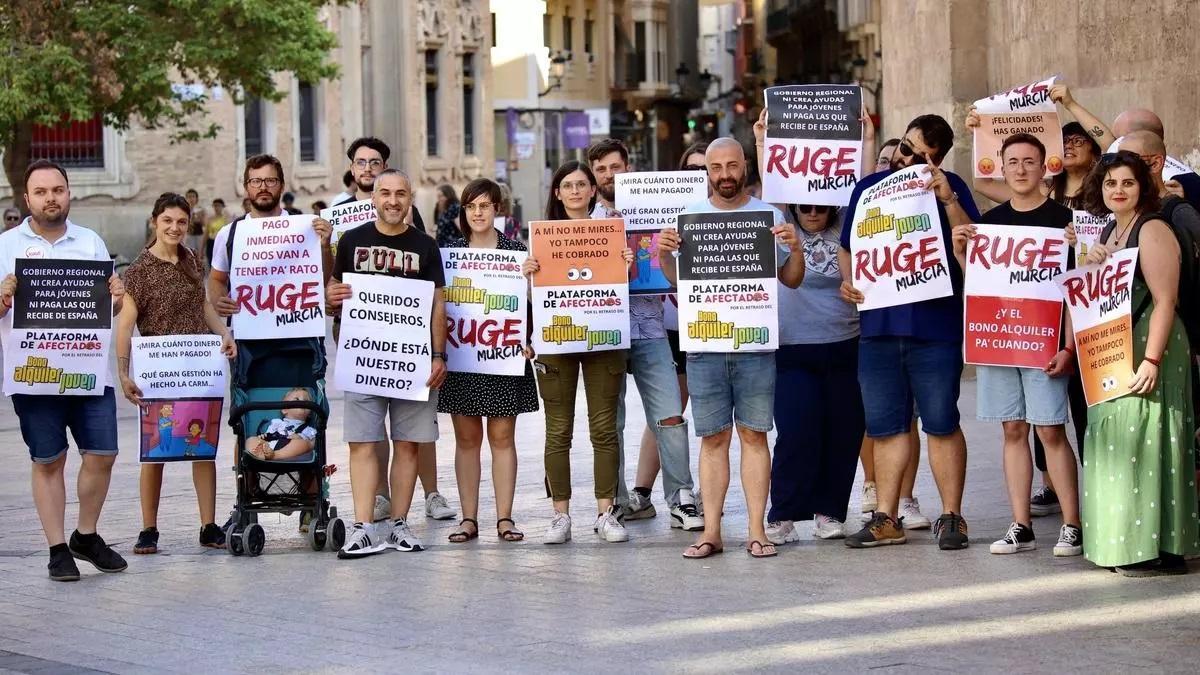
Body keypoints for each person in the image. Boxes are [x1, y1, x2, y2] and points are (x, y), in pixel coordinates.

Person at [838, 114, 981, 551]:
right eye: (906, 148)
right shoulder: (867, 189)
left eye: (923, 156)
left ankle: (952, 516)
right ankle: (886, 517)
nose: (908, 159)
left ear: (937, 159)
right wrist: (849, 284)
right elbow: (849, 246)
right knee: (885, 426)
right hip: (879, 328)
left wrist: (948, 198)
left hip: (935, 328)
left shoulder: (949, 188)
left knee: (941, 422)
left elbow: (973, 249)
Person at [657, 137, 805, 559]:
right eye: (716, 167)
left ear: (745, 166)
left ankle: (757, 531)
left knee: (755, 435)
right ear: (708, 172)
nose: (724, 174)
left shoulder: (767, 216)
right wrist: (665, 253)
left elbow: (792, 279)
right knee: (713, 438)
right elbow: (675, 279)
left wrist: (795, 249)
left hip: (756, 346)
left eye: (731, 166)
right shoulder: (689, 218)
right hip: (705, 346)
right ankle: (712, 532)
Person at [950, 133, 1082, 557]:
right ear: (1001, 168)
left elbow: (1073, 294)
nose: (1021, 169)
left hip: (1044, 344)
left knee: (1049, 429)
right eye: (1013, 162)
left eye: (1030, 161)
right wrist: (961, 255)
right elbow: (984, 287)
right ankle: (1020, 524)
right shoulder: (990, 225)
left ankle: (1072, 525)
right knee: (1012, 428)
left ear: (1045, 168)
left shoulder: (1065, 223)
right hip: (1002, 343)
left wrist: (1068, 347)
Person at [0, 159, 128, 581]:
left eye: (57, 189)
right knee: (48, 461)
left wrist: (116, 294)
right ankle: (58, 549)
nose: (50, 198)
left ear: (69, 192)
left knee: (103, 454)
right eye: (41, 192)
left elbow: (103, 308)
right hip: (34, 375)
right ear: (27, 199)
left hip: (87, 371)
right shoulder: (5, 247)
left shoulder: (90, 242)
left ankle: (85, 535)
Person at [752, 109, 871, 543]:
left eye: (821, 204)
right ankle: (783, 513)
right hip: (793, 346)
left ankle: (830, 510)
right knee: (797, 431)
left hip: (845, 343)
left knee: (843, 431)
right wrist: (763, 140)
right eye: (806, 206)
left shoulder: (846, 223)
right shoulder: (781, 222)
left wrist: (866, 138)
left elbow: (862, 189)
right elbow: (776, 183)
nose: (813, 210)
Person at [1076, 151, 1197, 576]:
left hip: (1152, 344)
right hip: (1115, 348)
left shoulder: (1153, 228)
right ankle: (1128, 542)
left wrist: (1151, 360)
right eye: (1110, 184)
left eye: (1127, 182)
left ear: (1143, 185)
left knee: (1151, 438)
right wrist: (1092, 261)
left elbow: (1166, 299)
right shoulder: (1113, 227)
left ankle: (1157, 547)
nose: (1118, 191)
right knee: (1121, 440)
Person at [331, 136, 456, 524]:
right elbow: (335, 294)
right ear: (373, 198)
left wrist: (438, 355)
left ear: (410, 199)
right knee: (362, 442)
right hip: (365, 360)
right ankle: (362, 525)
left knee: (408, 444)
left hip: (412, 361)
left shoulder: (425, 246)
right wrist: (330, 296)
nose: (392, 200)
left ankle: (401, 523)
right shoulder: (350, 241)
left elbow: (438, 303)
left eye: (400, 194)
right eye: (385, 193)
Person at [586, 138, 702, 531]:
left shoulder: (658, 207)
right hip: (607, 335)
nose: (608, 175)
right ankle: (616, 501)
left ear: (628, 168)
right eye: (601, 169)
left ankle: (682, 499)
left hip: (651, 328)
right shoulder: (585, 225)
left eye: (615, 167)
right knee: (610, 421)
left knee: (669, 415)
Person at [115, 192, 238, 554]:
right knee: (156, 450)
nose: (174, 227)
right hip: (160, 371)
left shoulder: (190, 259)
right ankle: (148, 528)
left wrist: (224, 333)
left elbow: (203, 305)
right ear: (155, 221)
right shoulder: (138, 272)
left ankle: (208, 525)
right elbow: (125, 326)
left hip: (198, 367)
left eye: (181, 222)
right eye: (167, 220)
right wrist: (124, 372)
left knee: (203, 447)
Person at [523, 160, 633, 544]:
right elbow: (522, 297)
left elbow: (627, 283)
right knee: (558, 431)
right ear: (557, 193)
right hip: (555, 340)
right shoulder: (539, 238)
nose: (574, 191)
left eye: (581, 184)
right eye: (567, 185)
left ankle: (606, 512)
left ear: (591, 191)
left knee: (604, 429)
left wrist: (627, 266)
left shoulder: (610, 232)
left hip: (603, 338)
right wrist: (526, 272)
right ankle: (560, 515)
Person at [438, 178, 539, 542]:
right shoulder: (449, 253)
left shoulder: (517, 252)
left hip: (502, 356)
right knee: (466, 440)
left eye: (485, 206)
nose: (478, 213)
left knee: (502, 437)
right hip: (463, 357)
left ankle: (504, 518)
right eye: (471, 206)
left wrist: (529, 339)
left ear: (498, 209)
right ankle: (468, 518)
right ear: (464, 211)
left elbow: (530, 307)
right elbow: (438, 307)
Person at [629, 142, 707, 509]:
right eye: (692, 170)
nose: (700, 176)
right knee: (669, 411)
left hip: (717, 324)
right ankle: (642, 492)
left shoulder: (728, 214)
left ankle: (706, 487)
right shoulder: (664, 212)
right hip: (673, 326)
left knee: (713, 412)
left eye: (706, 170)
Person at [246, 388, 318, 461]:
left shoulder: (308, 430)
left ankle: (274, 456)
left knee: (304, 444)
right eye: (297, 400)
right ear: (284, 409)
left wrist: (301, 438)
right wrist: (263, 436)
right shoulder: (277, 423)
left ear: (310, 413)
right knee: (251, 440)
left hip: (289, 452)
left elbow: (312, 445)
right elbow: (269, 436)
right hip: (270, 447)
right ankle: (257, 455)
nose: (302, 402)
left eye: (306, 401)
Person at [184, 189, 208, 257]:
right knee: (189, 256)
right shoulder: (184, 211)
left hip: (199, 236)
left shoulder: (201, 209)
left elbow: (205, 224)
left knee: (199, 256)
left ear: (196, 198)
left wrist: (200, 219)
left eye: (193, 196)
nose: (191, 199)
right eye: (189, 197)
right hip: (188, 236)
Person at [204, 198, 228, 265]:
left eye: (218, 206)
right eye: (215, 206)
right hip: (211, 242)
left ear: (222, 207)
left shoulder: (226, 219)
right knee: (211, 262)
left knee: (221, 263)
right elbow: (206, 234)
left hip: (221, 243)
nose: (216, 208)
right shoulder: (210, 219)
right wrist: (201, 249)